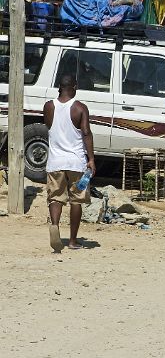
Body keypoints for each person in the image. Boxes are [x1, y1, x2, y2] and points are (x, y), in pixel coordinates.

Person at [43, 74, 95, 252]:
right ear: (74, 87)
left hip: (55, 162)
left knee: (55, 197)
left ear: (60, 87)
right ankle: (72, 241)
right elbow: (86, 133)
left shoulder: (49, 106)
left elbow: (50, 127)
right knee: (76, 200)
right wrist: (92, 159)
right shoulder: (80, 108)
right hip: (77, 163)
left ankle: (55, 226)